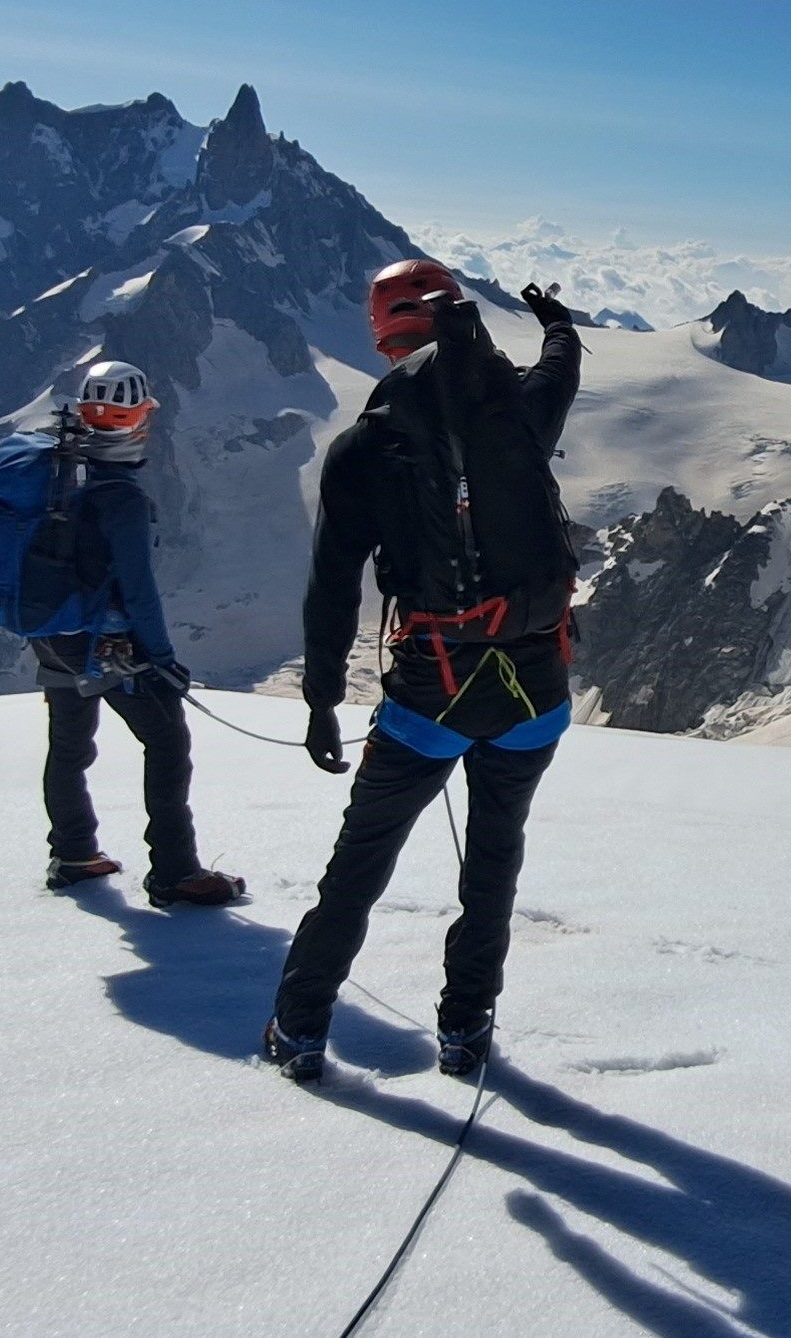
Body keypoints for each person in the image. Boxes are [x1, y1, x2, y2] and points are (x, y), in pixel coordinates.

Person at [264, 261, 581, 1082]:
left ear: (384, 339)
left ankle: (300, 1029)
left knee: (360, 867)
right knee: (494, 861)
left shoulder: (363, 447)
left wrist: (323, 701)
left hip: (431, 691)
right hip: (536, 687)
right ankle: (465, 1032)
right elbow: (560, 372)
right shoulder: (516, 412)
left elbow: (333, 588)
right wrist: (556, 322)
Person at [33, 361, 246, 909]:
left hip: (54, 633)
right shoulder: (121, 497)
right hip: (112, 647)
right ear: (138, 421)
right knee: (168, 742)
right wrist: (163, 658)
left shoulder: (54, 472)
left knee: (69, 745)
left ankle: (74, 852)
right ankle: (174, 872)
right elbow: (139, 590)